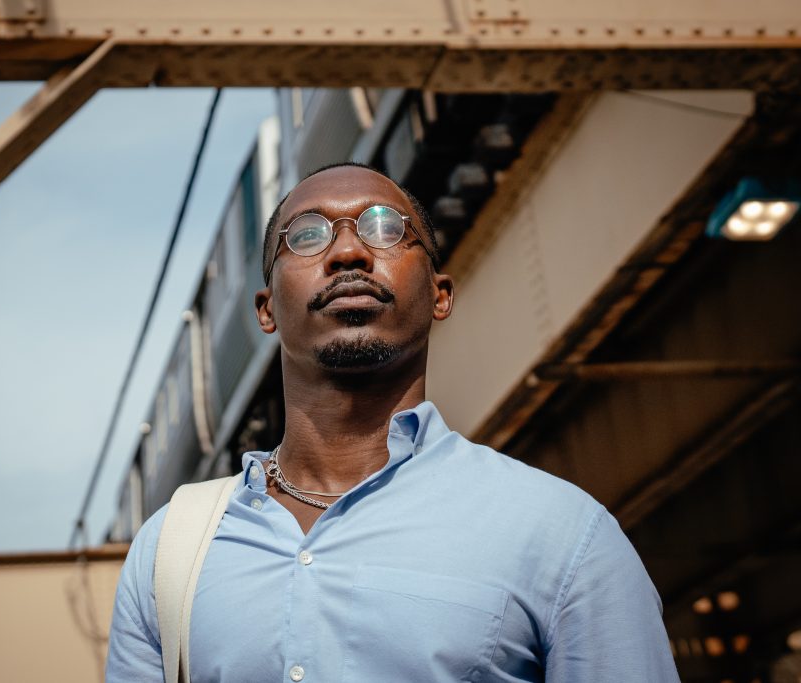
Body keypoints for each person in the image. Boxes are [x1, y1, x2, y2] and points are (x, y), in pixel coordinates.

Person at [106, 163, 680, 682]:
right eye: (307, 234)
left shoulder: (564, 535)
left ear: (439, 294)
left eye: (386, 228)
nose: (349, 252)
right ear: (267, 310)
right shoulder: (169, 551)